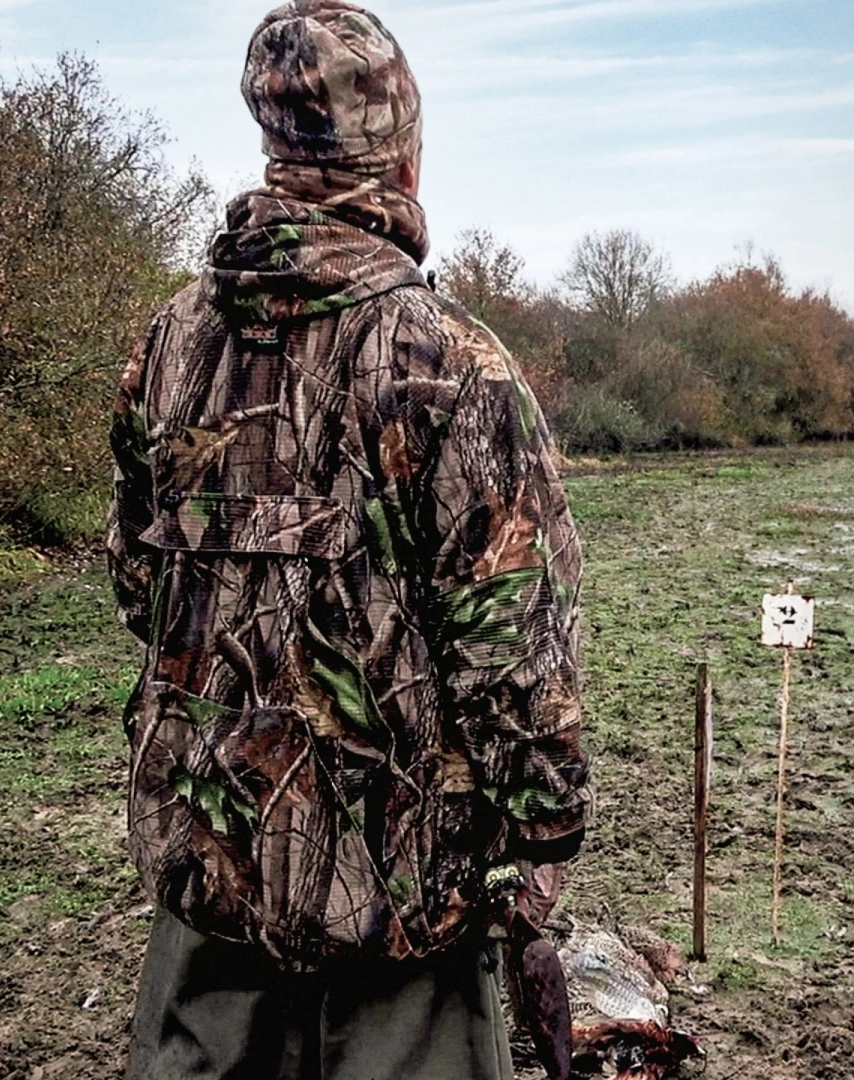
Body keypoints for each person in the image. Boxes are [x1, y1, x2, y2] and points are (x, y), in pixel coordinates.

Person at [104, 3, 589, 1077]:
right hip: (401, 932)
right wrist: (543, 844)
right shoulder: (450, 364)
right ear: (403, 155)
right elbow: (516, 660)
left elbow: (140, 582)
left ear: (276, 143)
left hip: (210, 892)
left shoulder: (172, 345)